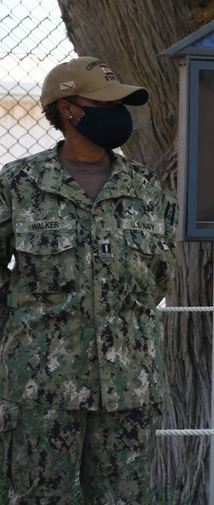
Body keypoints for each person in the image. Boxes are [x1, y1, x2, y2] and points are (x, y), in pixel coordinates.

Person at [0, 56, 177, 503]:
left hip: (129, 389)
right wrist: (26, 333)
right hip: (42, 390)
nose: (118, 113)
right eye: (104, 103)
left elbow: (159, 278)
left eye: (120, 103)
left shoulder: (146, 187)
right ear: (67, 109)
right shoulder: (19, 184)